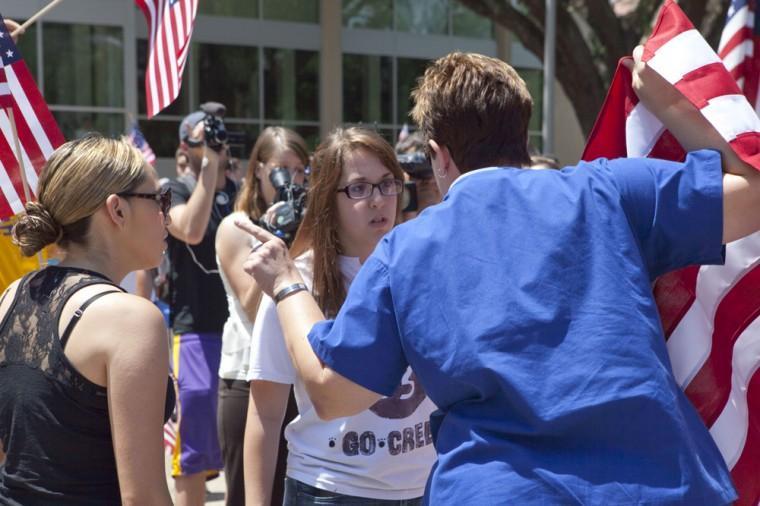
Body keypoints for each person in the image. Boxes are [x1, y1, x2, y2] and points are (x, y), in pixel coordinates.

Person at [236, 49, 760, 504]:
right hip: (656, 483)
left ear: (439, 155)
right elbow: (752, 196)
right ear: (523, 134)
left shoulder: (408, 248)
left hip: (497, 489)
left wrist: (286, 284)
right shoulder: (607, 192)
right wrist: (672, 104)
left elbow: (333, 393)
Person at [244, 127, 437, 505]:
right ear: (326, 199)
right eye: (359, 188)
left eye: (387, 184)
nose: (379, 200)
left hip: (425, 488)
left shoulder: (424, 265)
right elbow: (265, 413)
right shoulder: (292, 283)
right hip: (330, 489)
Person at [0, 135, 174, 505]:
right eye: (159, 199)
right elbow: (144, 497)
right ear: (118, 210)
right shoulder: (132, 319)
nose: (166, 214)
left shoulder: (12, 296)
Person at [215, 126, 309, 506]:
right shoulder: (235, 227)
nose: (292, 179)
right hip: (245, 377)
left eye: (301, 170)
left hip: (299, 379)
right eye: (282, 169)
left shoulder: (310, 225)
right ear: (258, 169)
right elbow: (253, 309)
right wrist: (274, 236)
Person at [165, 104, 237, 506]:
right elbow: (191, 230)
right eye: (204, 138)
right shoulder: (171, 189)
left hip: (238, 331)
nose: (212, 143)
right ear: (185, 145)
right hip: (194, 331)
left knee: (237, 443)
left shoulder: (235, 192)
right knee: (194, 451)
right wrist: (210, 166)